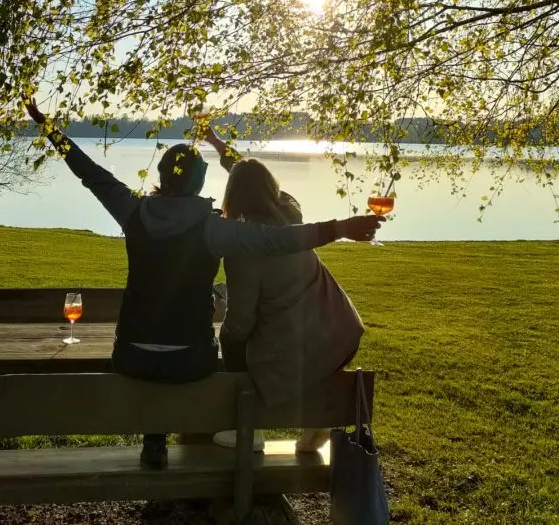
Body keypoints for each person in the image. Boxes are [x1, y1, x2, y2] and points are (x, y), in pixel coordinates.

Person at [24, 101, 382, 470]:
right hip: (192, 358)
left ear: (162, 178)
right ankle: (220, 434)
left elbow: (89, 171)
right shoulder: (214, 229)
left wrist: (47, 126)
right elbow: (275, 239)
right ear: (198, 182)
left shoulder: (132, 212)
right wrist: (339, 228)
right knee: (204, 351)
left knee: (157, 347)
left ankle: (155, 437)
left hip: (130, 355)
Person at [201, 124, 365, 454]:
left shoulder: (242, 250)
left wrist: (224, 336)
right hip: (339, 333)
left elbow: (242, 321)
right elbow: (248, 175)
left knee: (230, 340)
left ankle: (248, 427)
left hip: (298, 350)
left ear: (233, 197)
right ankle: (314, 425)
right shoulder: (292, 211)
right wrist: (217, 143)